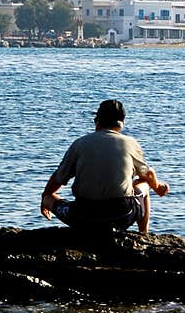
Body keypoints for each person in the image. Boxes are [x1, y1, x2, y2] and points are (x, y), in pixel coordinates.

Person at [40, 99, 169, 233]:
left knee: (49, 198)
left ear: (97, 121)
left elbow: (58, 178)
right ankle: (143, 234)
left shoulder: (80, 143)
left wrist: (45, 196)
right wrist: (158, 187)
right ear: (122, 123)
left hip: (82, 217)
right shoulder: (130, 143)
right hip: (121, 215)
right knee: (144, 184)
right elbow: (148, 174)